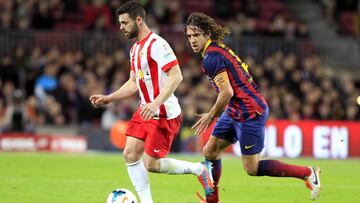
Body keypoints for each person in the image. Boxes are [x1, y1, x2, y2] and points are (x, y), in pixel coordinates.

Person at [185, 12, 321, 203]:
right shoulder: (217, 50)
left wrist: (210, 116)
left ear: (207, 33)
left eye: (196, 35)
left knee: (252, 169)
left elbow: (226, 92)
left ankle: (307, 173)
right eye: (189, 36)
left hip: (249, 112)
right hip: (236, 109)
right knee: (210, 151)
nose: (192, 40)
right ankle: (212, 200)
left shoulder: (211, 58)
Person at [89, 2, 213, 203]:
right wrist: (109, 98)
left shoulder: (157, 45)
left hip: (163, 112)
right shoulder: (134, 49)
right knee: (130, 154)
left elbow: (176, 76)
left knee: (151, 164)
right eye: (120, 23)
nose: (121, 27)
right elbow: (132, 83)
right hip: (145, 110)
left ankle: (199, 169)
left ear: (139, 20)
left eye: (125, 23)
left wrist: (155, 103)